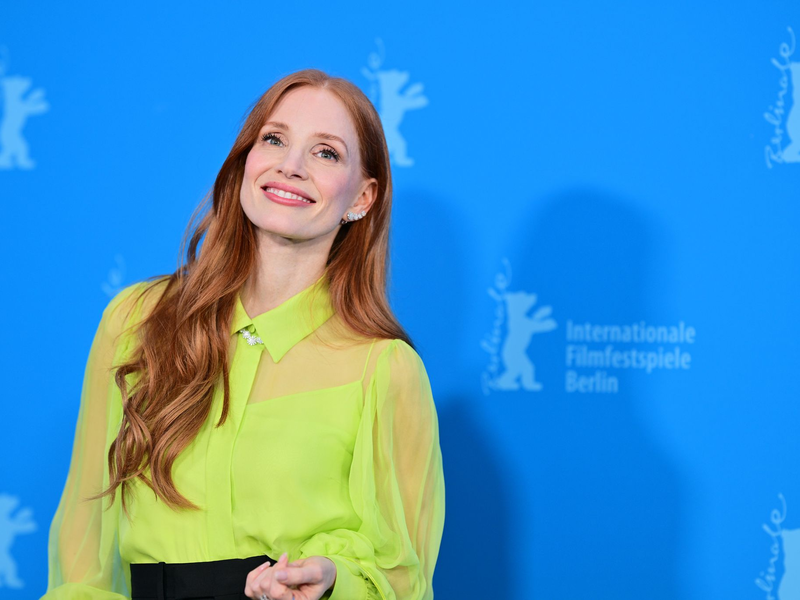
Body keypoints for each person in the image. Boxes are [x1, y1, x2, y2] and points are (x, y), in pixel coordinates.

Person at [43, 68, 446, 600]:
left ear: (363, 197)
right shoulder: (135, 320)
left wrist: (333, 581)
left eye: (325, 153)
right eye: (274, 139)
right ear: (245, 161)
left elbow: (401, 577)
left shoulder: (385, 369)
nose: (291, 165)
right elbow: (85, 539)